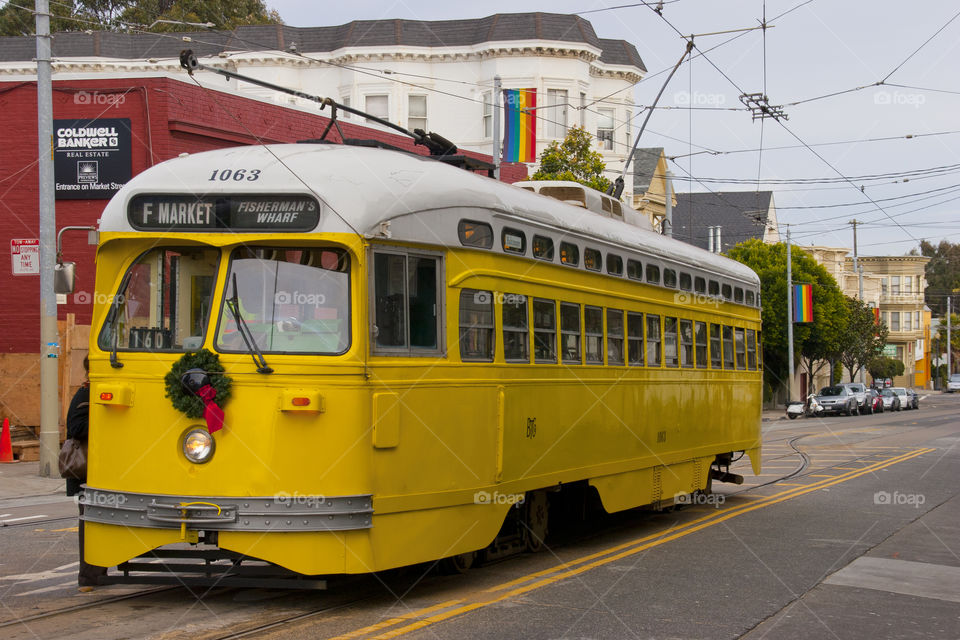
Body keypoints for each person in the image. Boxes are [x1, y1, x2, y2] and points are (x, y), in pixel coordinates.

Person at [65, 356, 107, 590]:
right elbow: (76, 428)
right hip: (87, 472)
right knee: (90, 522)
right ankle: (88, 577)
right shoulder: (84, 394)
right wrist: (104, 422)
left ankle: (99, 572)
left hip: (101, 469)